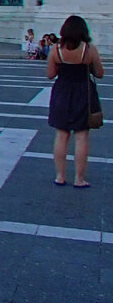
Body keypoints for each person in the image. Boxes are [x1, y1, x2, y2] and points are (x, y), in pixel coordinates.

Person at [47, 15, 104, 188]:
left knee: (61, 135)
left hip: (62, 93)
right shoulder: (89, 49)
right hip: (83, 93)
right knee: (81, 137)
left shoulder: (56, 50)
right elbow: (100, 73)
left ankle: (60, 176)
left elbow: (49, 74)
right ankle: (79, 179)